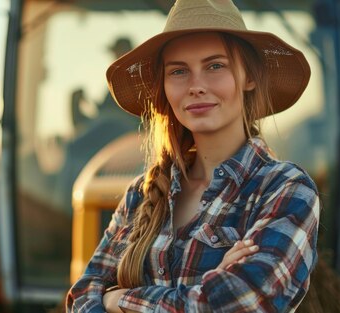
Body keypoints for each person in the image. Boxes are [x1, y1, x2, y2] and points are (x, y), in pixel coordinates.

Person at [66, 0, 319, 312]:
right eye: (179, 71)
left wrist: (117, 300)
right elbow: (81, 300)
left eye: (215, 66)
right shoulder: (139, 195)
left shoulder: (284, 189)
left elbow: (244, 303)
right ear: (165, 86)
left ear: (248, 77)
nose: (196, 86)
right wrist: (205, 289)